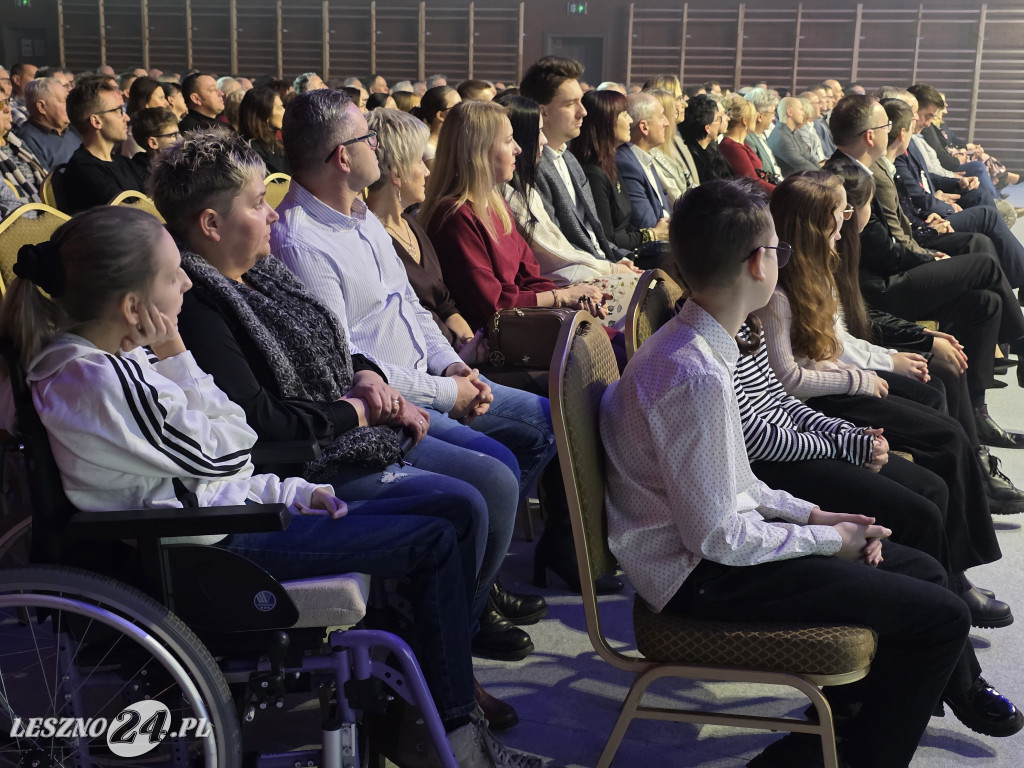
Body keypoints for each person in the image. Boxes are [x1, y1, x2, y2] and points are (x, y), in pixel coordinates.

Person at [0, 205, 540, 768]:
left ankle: (417, 713)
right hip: (202, 550)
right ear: (134, 307)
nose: (187, 279)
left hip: (222, 520)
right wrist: (179, 355)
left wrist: (288, 492)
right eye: (171, 275)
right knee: (436, 535)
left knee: (453, 516)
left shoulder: (118, 360)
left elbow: (223, 454)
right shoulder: (94, 379)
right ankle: (452, 736)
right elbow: (231, 444)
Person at [601, 178, 1013, 768]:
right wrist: (828, 540)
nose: (783, 260)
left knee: (923, 567)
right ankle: (856, 751)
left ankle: (829, 742)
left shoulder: (705, 340)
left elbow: (736, 480)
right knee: (942, 617)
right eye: (779, 249)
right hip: (698, 577)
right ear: (758, 263)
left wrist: (814, 515)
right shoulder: (695, 374)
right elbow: (717, 538)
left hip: (713, 553)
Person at [270, 88, 573, 657]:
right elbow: (345, 366)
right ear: (342, 157)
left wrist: (454, 365)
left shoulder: (360, 217)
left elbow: (410, 309)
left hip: (427, 379)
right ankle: (463, 616)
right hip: (385, 406)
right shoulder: (300, 242)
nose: (377, 149)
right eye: (366, 139)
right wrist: (443, 390)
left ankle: (475, 583)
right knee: (497, 474)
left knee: (538, 422)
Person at [755, 173, 1019, 631]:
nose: (848, 220)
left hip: (837, 385)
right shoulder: (778, 292)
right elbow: (792, 379)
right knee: (945, 439)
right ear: (819, 224)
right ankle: (956, 572)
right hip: (826, 401)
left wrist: (885, 360)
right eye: (841, 213)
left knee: (945, 423)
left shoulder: (818, 267)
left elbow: (838, 341)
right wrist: (864, 377)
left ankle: (959, 563)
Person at [829, 157, 1024, 515]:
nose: (868, 214)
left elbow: (856, 314)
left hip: (870, 323)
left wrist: (923, 336)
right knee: (941, 366)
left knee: (983, 302)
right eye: (865, 208)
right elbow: (852, 326)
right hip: (867, 333)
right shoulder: (833, 248)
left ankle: (977, 427)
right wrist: (921, 339)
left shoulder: (843, 238)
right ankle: (976, 469)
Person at [418, 100, 610, 332]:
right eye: (509, 141)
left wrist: (574, 302)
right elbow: (493, 303)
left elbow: (530, 276)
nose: (518, 148)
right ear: (479, 150)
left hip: (527, 320)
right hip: (505, 334)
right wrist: (561, 297)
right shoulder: (455, 216)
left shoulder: (496, 203)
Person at [495, 93, 639, 324]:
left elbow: (586, 238)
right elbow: (554, 256)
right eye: (571, 103)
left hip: (569, 278)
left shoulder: (564, 163)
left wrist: (610, 263)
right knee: (637, 304)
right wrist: (607, 270)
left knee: (648, 289)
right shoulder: (509, 194)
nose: (542, 140)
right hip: (558, 285)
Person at [519, 56, 634, 268]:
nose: (583, 111)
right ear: (542, 111)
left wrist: (620, 258)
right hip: (579, 277)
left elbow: (594, 235)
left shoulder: (569, 158)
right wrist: (610, 268)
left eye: (581, 101)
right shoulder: (531, 168)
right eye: (571, 104)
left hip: (601, 265)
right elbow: (559, 249)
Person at [572, 89, 669, 264]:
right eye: (624, 114)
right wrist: (652, 234)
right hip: (617, 259)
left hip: (629, 253)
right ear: (607, 122)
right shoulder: (593, 172)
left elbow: (624, 225)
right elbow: (608, 238)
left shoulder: (610, 163)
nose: (631, 120)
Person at [62, 76, 147, 213]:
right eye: (119, 111)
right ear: (96, 121)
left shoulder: (122, 162)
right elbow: (128, 215)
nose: (127, 118)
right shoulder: (84, 170)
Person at [13, 77, 81, 172]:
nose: (69, 105)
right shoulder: (27, 140)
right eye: (64, 101)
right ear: (41, 107)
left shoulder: (72, 128)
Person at [719, 93, 774, 193]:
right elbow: (751, 182)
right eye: (754, 115)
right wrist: (783, 192)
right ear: (745, 121)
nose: (757, 118)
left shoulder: (742, 144)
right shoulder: (732, 147)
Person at [679, 94, 733, 183]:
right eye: (718, 119)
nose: (720, 122)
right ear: (707, 128)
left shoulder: (711, 148)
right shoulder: (696, 158)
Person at [238, 86, 288, 174]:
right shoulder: (252, 150)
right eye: (280, 108)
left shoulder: (276, 144)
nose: (285, 111)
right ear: (266, 115)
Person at [127, 106, 180, 179]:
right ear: (153, 143)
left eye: (178, 133)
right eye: (173, 135)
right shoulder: (136, 175)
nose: (180, 139)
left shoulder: (185, 165)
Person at [416, 85, 461, 167]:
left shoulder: (447, 144)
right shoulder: (429, 153)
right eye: (458, 107)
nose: (463, 111)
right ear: (440, 115)